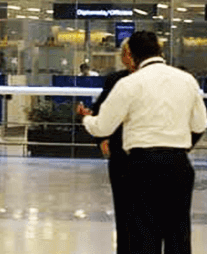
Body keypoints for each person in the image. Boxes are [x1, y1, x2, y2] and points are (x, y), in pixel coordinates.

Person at [79, 31, 207, 254]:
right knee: (178, 231)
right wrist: (182, 146)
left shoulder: (129, 83)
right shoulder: (186, 80)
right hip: (178, 164)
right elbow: (200, 124)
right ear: (160, 50)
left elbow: (103, 127)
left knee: (144, 231)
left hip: (142, 164)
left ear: (131, 54)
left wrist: (87, 119)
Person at [86, 39, 136, 254]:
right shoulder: (116, 80)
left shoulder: (152, 80)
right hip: (122, 150)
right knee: (124, 209)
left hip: (143, 150)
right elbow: (101, 109)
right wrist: (102, 139)